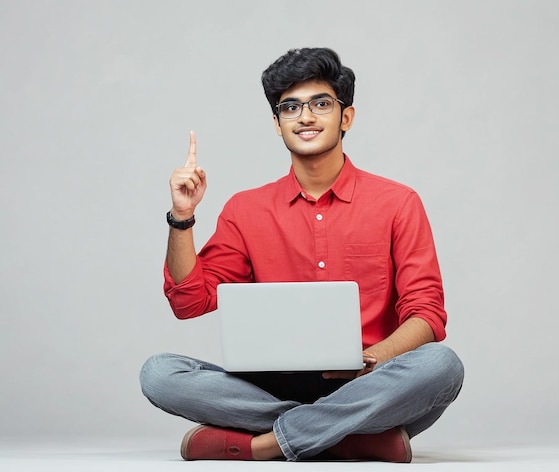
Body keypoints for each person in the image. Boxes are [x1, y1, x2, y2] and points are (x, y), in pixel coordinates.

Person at [140, 47, 464, 463]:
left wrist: (372, 361)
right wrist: (181, 217)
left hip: (368, 384)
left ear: (345, 117)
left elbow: (427, 313)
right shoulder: (245, 208)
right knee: (159, 373)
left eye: (321, 104)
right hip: (267, 387)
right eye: (290, 107)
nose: (305, 117)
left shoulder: (398, 202)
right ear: (277, 124)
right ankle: (344, 437)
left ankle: (264, 445)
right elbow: (189, 301)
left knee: (441, 365)